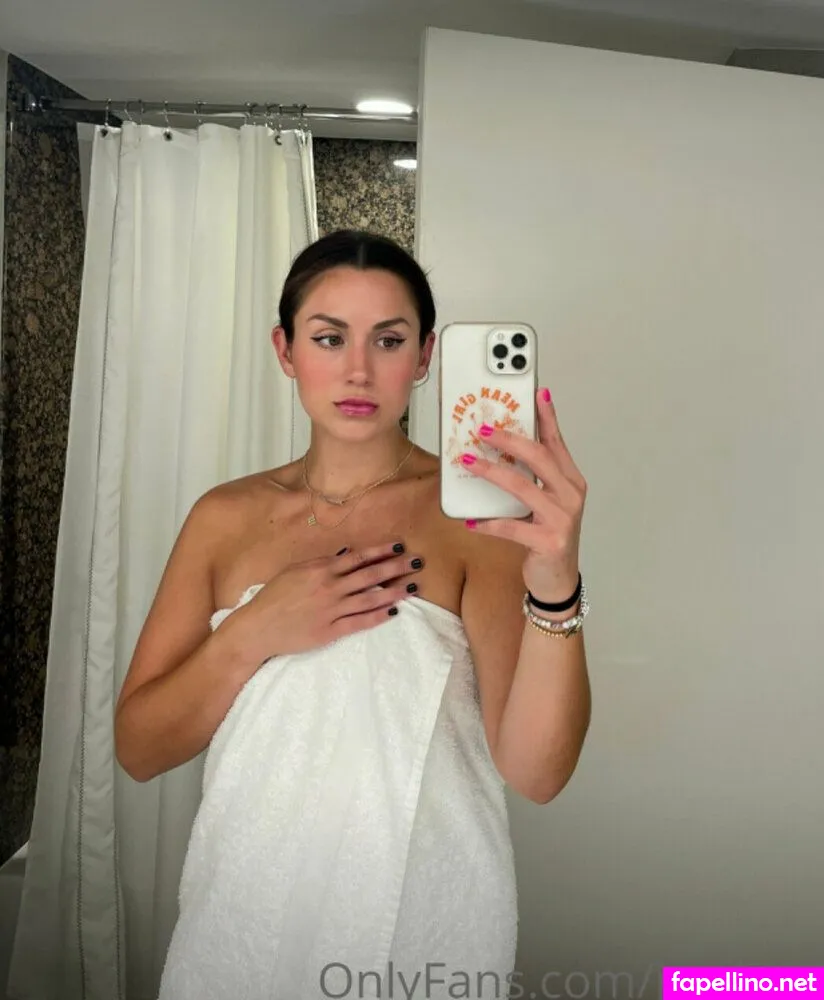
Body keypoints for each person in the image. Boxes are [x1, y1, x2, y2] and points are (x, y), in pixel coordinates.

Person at [114, 230, 592, 1000]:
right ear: (285, 350)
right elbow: (139, 748)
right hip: (244, 915)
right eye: (329, 338)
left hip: (424, 921)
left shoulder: (477, 523)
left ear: (426, 356)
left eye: (389, 340)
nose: (359, 369)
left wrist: (557, 582)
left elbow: (537, 774)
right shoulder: (223, 519)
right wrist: (255, 632)